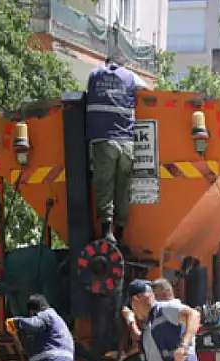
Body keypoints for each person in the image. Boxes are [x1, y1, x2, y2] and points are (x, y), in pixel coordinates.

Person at [86, 56, 146, 245]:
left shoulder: (94, 74)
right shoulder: (130, 77)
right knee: (122, 189)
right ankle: (119, 233)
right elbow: (147, 89)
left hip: (105, 140)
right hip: (127, 143)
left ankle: (106, 232)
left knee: (104, 186)